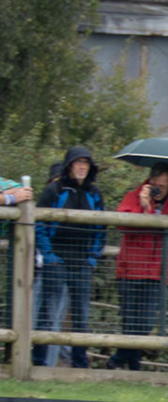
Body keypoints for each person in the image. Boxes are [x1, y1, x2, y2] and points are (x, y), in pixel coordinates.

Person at [110, 164, 168, 371]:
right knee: (130, 323)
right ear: (148, 182)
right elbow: (122, 224)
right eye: (154, 185)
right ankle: (134, 370)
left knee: (145, 324)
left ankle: (117, 360)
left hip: (158, 272)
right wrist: (143, 206)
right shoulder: (134, 196)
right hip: (131, 269)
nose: (157, 190)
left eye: (162, 186)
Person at [32, 147, 106, 368]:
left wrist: (93, 258)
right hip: (57, 259)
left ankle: (80, 364)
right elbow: (39, 225)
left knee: (81, 315)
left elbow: (102, 229)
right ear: (70, 166)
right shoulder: (54, 191)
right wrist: (49, 256)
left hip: (83, 261)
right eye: (78, 163)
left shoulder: (95, 194)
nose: (82, 167)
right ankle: (40, 362)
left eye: (86, 163)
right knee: (48, 312)